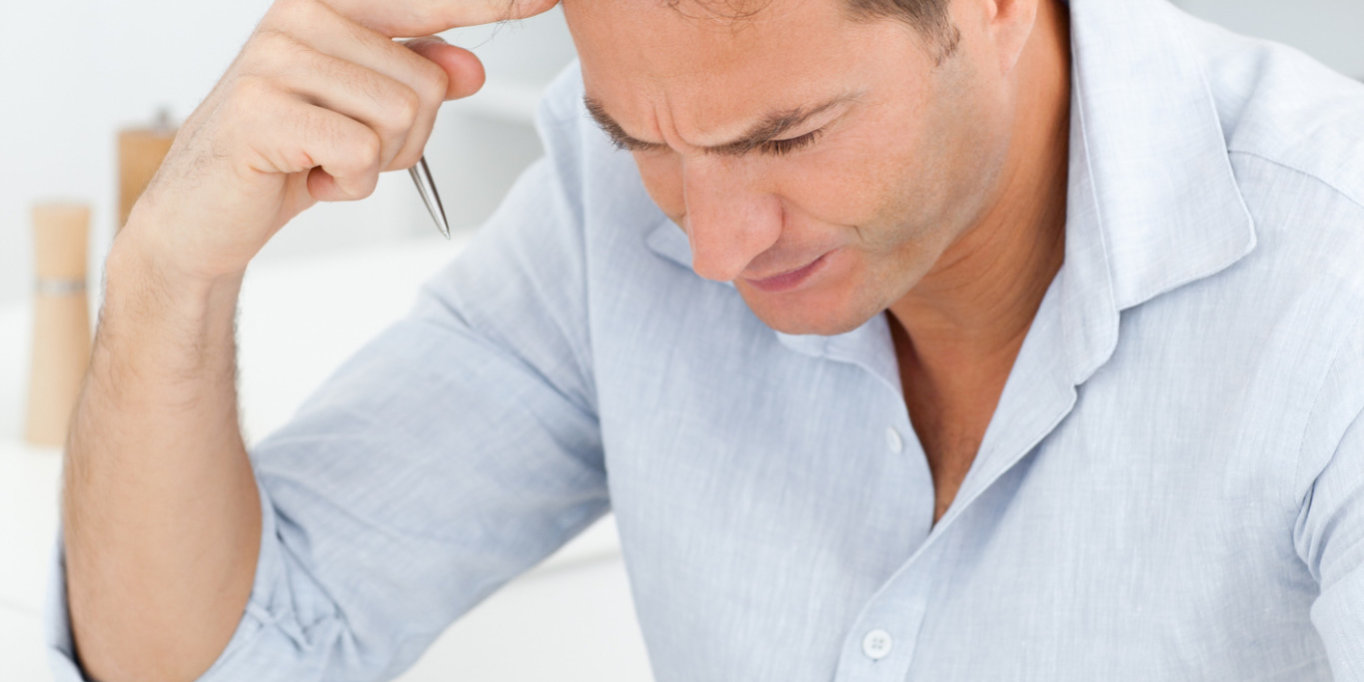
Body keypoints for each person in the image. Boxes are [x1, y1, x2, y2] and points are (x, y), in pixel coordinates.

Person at [46, 0, 1364, 678]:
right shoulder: (606, 212)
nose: (719, 247)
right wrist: (166, 271)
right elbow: (226, 655)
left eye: (788, 137)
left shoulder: (1330, 288)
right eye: (645, 141)